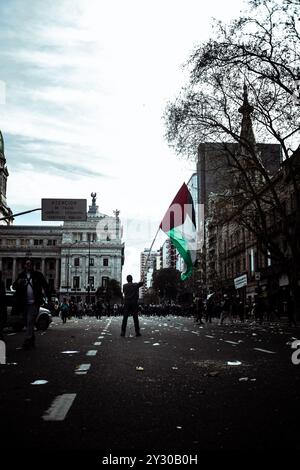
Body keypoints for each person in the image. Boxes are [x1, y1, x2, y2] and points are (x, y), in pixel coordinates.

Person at [13, 258, 50, 349]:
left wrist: (49, 299)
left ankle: (27, 340)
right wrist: (18, 283)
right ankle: (32, 338)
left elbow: (45, 286)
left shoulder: (38, 275)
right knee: (26, 321)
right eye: (27, 264)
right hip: (24, 303)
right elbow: (14, 286)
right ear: (24, 265)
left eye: (30, 264)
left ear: (33, 265)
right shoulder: (21, 275)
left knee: (30, 321)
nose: (28, 266)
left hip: (34, 302)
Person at [0, 271, 7, 341]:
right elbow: (3, 295)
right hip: (1, 306)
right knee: (2, 320)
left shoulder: (2, 283)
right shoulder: (1, 283)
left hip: (2, 305)